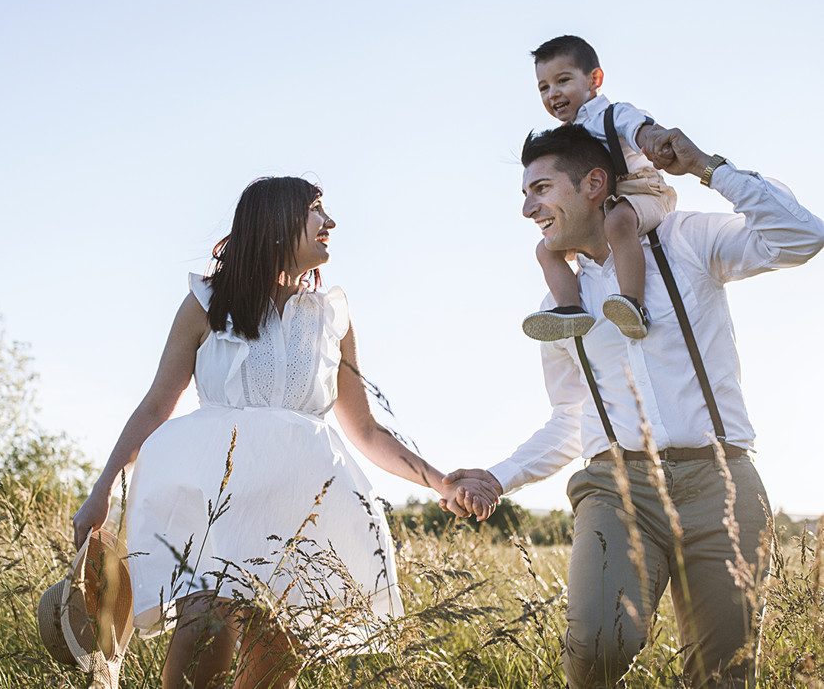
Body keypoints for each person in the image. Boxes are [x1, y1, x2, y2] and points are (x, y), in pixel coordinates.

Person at [72, 176, 491, 689]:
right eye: (316, 210)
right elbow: (158, 403)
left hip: (298, 509)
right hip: (213, 500)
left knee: (276, 664)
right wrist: (102, 490)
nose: (330, 222)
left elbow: (364, 427)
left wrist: (441, 482)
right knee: (205, 626)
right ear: (275, 224)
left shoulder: (330, 315)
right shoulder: (206, 303)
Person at [444, 124, 824, 687]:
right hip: (617, 489)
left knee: (723, 677)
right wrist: (499, 478)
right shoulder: (559, 307)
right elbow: (571, 418)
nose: (529, 209)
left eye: (541, 188)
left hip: (723, 483)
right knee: (597, 646)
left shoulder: (686, 240)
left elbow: (801, 236)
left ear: (594, 184)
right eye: (525, 194)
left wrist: (707, 168)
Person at [521, 35, 678, 342]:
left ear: (595, 79)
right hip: (603, 204)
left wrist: (650, 139)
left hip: (644, 192)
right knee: (546, 249)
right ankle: (570, 309)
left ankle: (633, 304)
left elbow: (637, 127)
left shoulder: (613, 114)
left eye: (562, 80)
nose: (553, 93)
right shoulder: (564, 137)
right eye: (544, 87)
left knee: (618, 221)